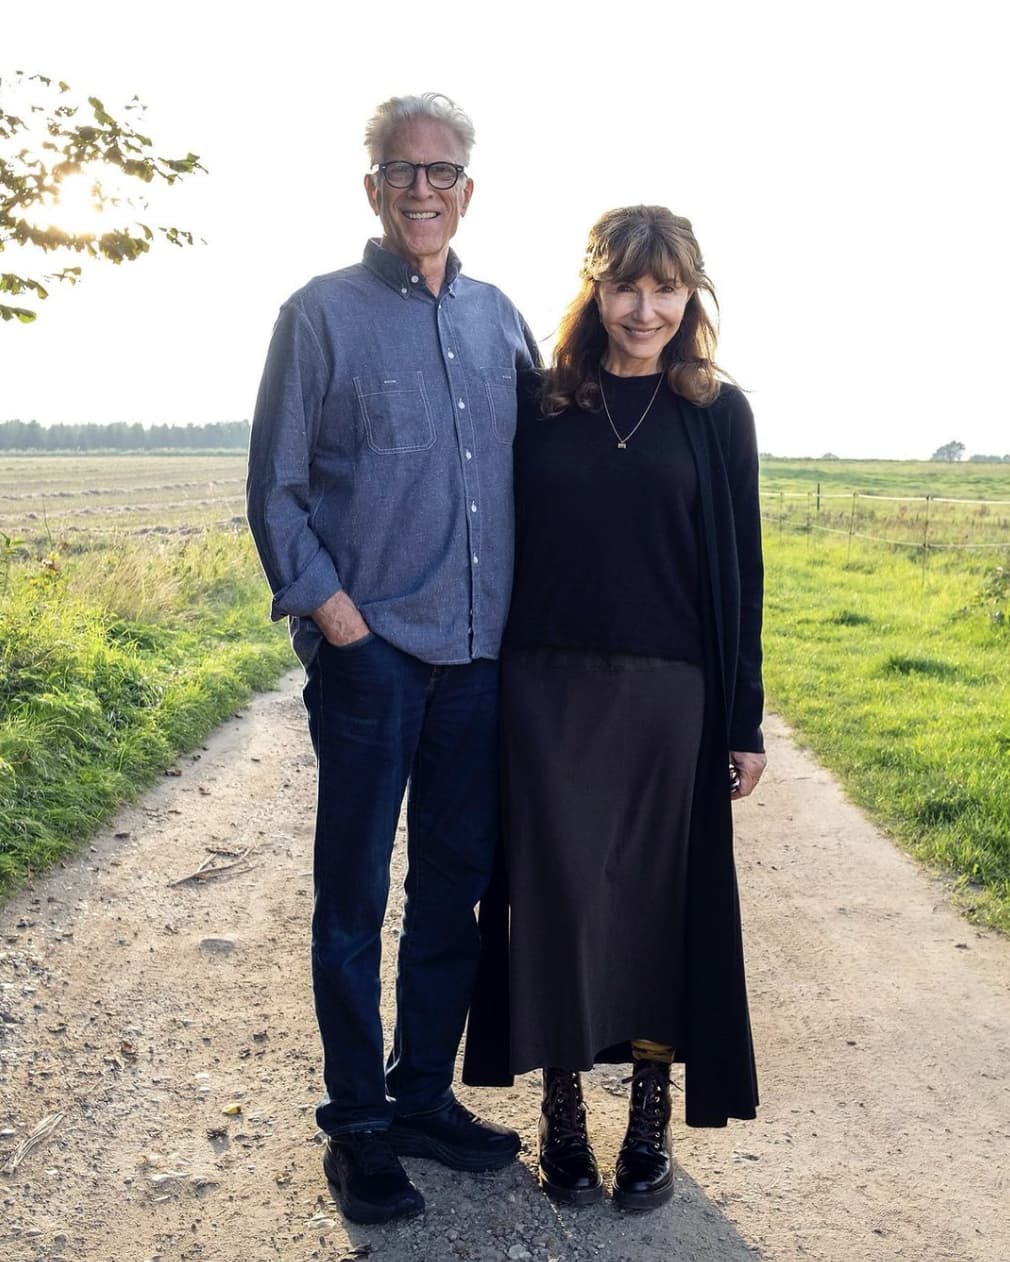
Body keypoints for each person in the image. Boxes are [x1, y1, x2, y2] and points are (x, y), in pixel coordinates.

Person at [246, 92, 540, 1226]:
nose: (423, 188)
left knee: (453, 890)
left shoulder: (499, 317)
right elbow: (275, 484)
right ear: (370, 186)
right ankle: (358, 1124)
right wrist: (331, 616)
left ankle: (420, 1094)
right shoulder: (318, 315)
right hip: (371, 659)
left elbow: (549, 459)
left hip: (478, 656)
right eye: (401, 169)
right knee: (353, 896)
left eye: (443, 170)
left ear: (468, 187)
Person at [464, 204, 765, 1211]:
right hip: (544, 691)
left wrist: (741, 718)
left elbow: (742, 575)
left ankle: (646, 1114)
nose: (646, 309)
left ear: (691, 294)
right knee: (552, 905)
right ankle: (559, 1112)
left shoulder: (716, 412)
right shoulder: (542, 402)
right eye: (627, 286)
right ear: (594, 287)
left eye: (667, 287)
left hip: (667, 699)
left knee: (651, 915)